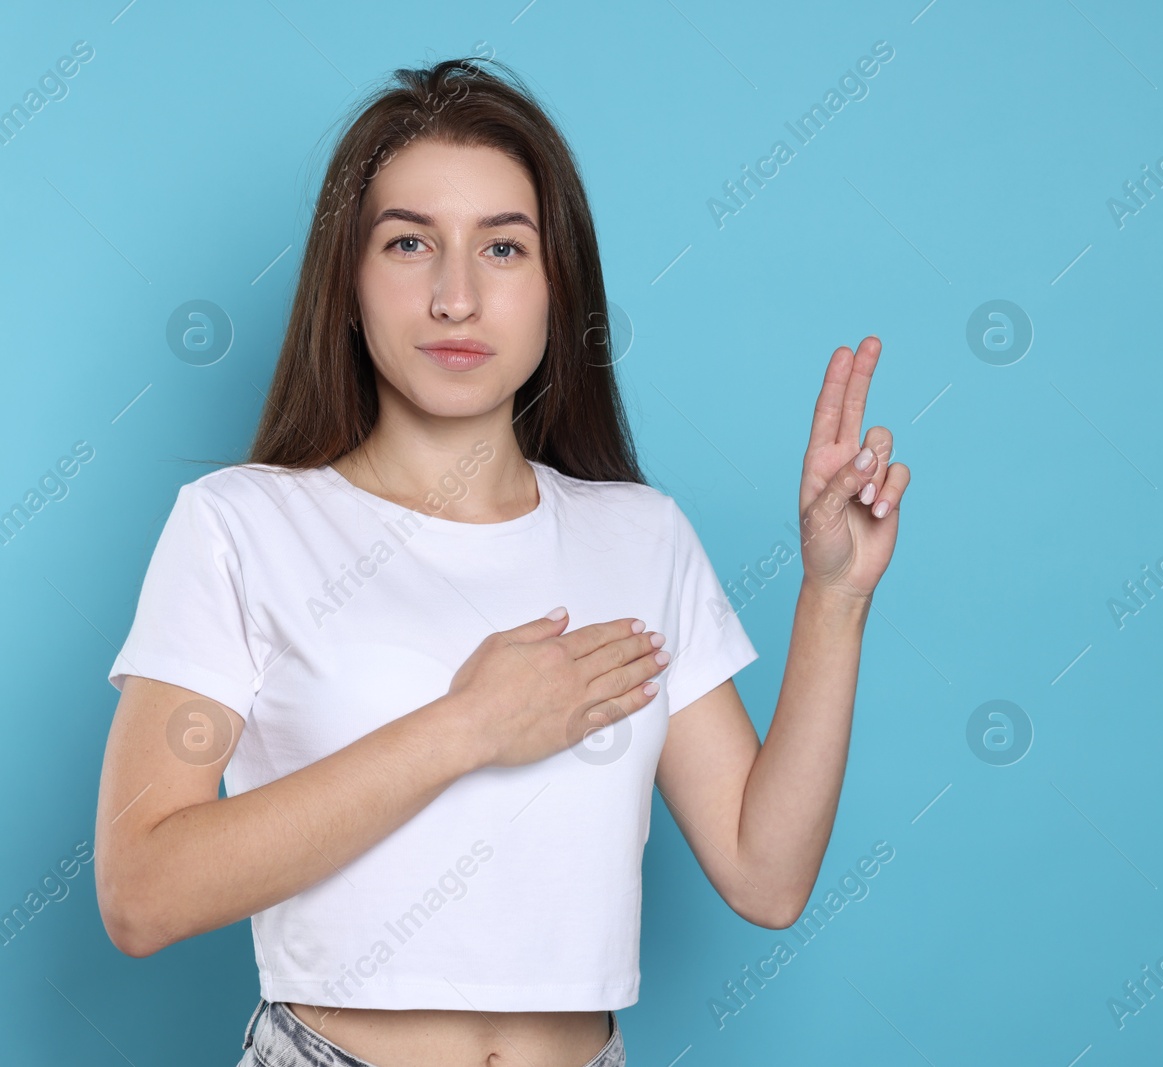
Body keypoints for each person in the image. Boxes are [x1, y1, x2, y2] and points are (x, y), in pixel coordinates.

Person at [94, 57, 909, 1067]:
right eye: (408, 243)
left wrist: (834, 597)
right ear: (346, 283)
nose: (455, 297)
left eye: (503, 248)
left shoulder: (640, 536)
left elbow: (765, 874)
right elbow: (140, 891)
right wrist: (467, 726)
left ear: (557, 290)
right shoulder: (239, 525)